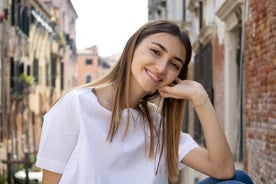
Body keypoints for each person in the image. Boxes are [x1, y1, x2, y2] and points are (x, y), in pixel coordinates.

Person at [36, 20, 253, 184]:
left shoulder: (157, 125)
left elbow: (223, 169)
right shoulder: (75, 106)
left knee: (238, 179)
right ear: (133, 47)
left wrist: (200, 98)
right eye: (155, 51)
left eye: (174, 65)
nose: (160, 68)